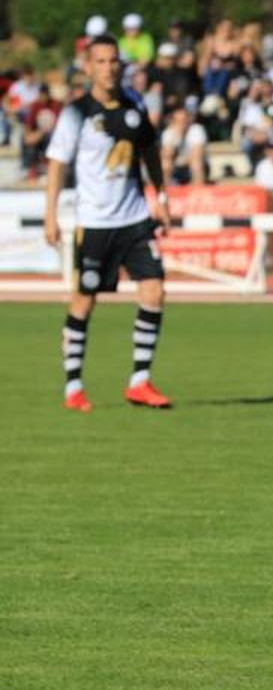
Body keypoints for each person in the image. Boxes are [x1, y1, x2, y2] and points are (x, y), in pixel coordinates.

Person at [43, 34, 174, 412]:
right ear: (88, 68)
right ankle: (73, 387)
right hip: (95, 223)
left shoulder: (134, 105)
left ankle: (140, 381)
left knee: (154, 291)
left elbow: (149, 150)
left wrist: (160, 196)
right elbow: (57, 164)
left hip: (134, 218)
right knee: (84, 301)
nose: (109, 67)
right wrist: (51, 215)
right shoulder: (76, 113)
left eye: (114, 60)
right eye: (100, 61)